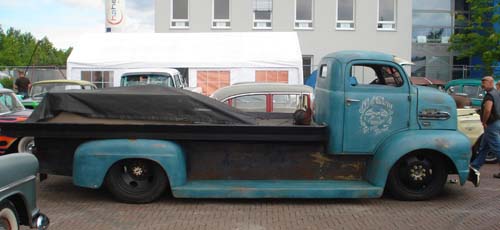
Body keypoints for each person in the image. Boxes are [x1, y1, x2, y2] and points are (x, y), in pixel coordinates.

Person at [469, 76, 500, 186]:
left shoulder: (490, 95)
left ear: (491, 82)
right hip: (496, 122)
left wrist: (484, 121)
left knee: (496, 148)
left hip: (491, 124)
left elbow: (487, 109)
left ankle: (474, 166)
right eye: (482, 82)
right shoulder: (496, 93)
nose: (482, 84)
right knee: (484, 147)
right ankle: (475, 166)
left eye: (485, 82)